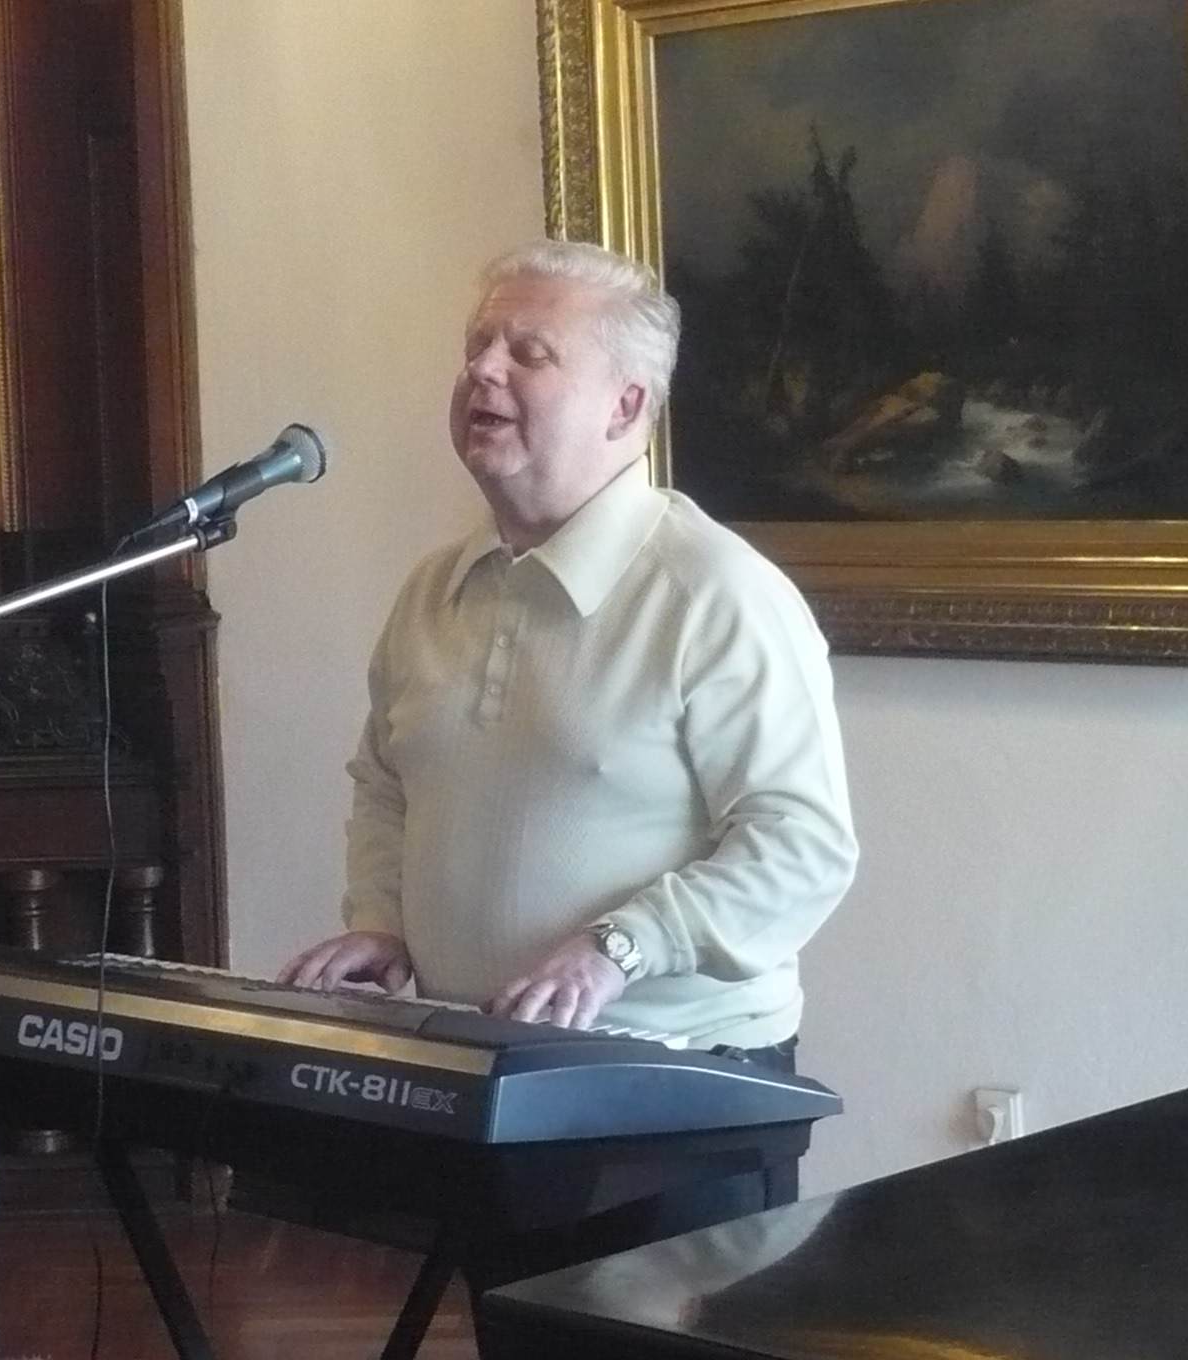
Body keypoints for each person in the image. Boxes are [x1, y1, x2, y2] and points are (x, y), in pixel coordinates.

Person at [277, 239, 858, 1287]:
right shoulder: (435, 589)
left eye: (528, 353)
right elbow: (386, 784)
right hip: (487, 1076)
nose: (481, 371)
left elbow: (801, 846)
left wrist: (619, 947)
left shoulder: (717, 595)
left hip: (674, 1093)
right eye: (476, 346)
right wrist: (382, 921)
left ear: (625, 407)